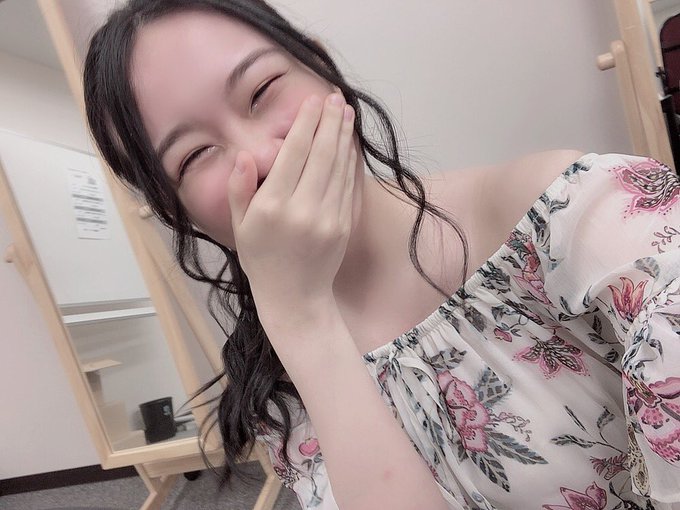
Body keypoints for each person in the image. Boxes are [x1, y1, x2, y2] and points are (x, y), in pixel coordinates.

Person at [83, 1, 680, 508]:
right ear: (177, 210)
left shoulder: (572, 214)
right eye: (193, 156)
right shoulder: (273, 373)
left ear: (323, 69)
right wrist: (301, 320)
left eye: (262, 90)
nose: (261, 158)